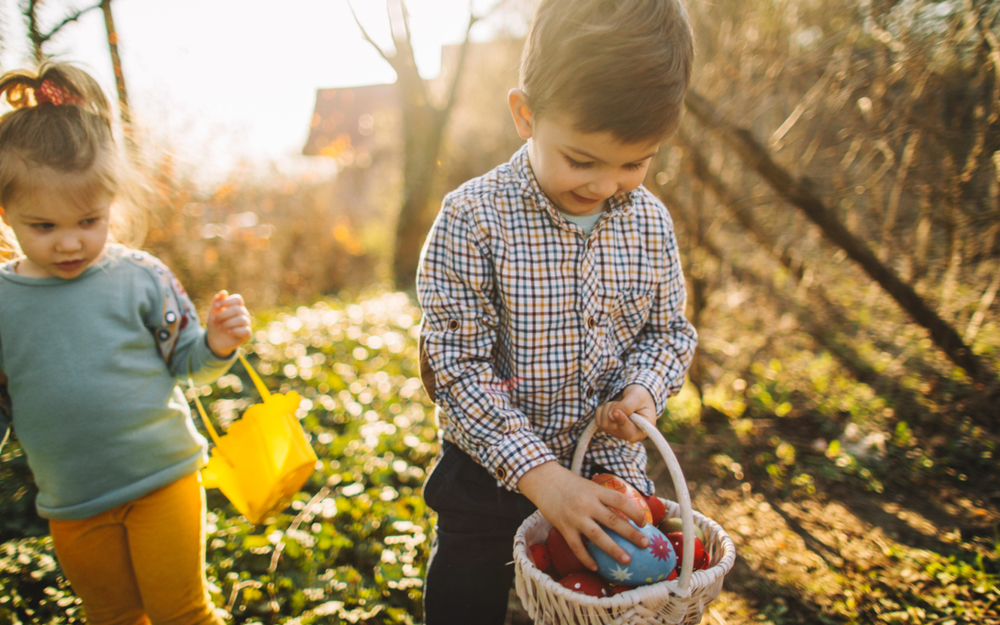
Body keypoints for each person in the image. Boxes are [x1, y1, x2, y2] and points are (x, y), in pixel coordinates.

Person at [415, 0, 698, 621]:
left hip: (608, 473)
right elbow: (457, 370)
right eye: (581, 160)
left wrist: (642, 394)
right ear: (526, 115)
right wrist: (542, 477)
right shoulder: (474, 220)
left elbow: (669, 333)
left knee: (619, 601)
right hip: (488, 475)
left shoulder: (649, 222)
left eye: (634, 162)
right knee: (468, 595)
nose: (604, 185)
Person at [0, 62, 252, 625]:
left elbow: (186, 362)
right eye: (43, 227)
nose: (70, 242)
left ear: (111, 200)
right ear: (5, 212)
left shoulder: (139, 277)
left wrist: (214, 342)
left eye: (89, 220)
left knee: (182, 612)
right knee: (111, 616)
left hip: (164, 481)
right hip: (72, 503)